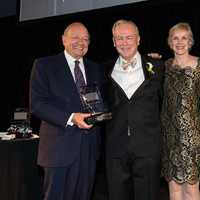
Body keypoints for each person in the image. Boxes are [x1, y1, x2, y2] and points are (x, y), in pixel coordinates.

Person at [30, 22, 103, 200]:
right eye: (75, 37)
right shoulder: (44, 65)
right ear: (63, 40)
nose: (81, 42)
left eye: (85, 39)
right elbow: (37, 104)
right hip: (58, 150)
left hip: (89, 150)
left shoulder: (95, 68)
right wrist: (71, 118)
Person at [104, 19, 164, 200]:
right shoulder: (102, 69)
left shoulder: (159, 67)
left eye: (129, 37)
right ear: (114, 42)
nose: (124, 42)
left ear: (138, 39)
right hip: (115, 148)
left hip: (148, 148)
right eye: (119, 38)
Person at [161, 22, 200, 200]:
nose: (180, 42)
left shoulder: (199, 65)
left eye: (184, 38)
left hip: (193, 138)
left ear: (190, 41)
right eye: (175, 38)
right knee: (174, 188)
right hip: (169, 137)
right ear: (170, 42)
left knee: (191, 189)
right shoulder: (165, 66)